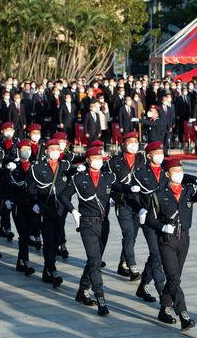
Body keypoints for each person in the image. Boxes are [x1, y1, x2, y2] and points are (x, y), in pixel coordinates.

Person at [145, 159, 197, 331]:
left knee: (175, 278)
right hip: (167, 240)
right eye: (175, 171)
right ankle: (183, 315)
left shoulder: (188, 190)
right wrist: (161, 227)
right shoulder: (158, 194)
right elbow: (150, 219)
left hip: (184, 239)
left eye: (181, 170)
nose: (179, 174)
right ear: (167, 174)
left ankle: (164, 308)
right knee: (173, 278)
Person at [59, 146, 140, 316]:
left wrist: (130, 189)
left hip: (103, 224)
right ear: (88, 160)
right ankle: (100, 297)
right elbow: (63, 196)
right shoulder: (79, 178)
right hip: (87, 223)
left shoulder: (108, 177)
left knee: (94, 260)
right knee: (95, 260)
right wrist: (73, 211)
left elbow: (118, 187)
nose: (98, 160)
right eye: (94, 157)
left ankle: (82, 291)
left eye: (100, 157)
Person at [27, 139, 72, 288]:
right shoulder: (38, 167)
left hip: (60, 210)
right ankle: (52, 270)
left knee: (55, 240)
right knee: (49, 241)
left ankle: (47, 270)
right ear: (46, 151)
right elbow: (32, 188)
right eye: (52, 149)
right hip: (45, 210)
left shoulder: (65, 165)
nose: (55, 152)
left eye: (57, 149)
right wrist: (35, 203)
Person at [106, 131, 145, 281]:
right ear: (124, 144)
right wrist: (110, 196)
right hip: (123, 202)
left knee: (133, 235)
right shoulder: (114, 161)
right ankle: (132, 266)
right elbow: (107, 180)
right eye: (130, 142)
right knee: (128, 233)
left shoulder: (141, 159)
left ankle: (122, 263)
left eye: (136, 141)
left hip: (138, 202)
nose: (134, 145)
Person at [3, 140, 36, 276]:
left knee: (27, 233)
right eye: (24, 148)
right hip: (18, 204)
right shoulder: (13, 166)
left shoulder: (34, 166)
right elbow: (4, 183)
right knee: (23, 233)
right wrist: (6, 199)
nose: (26, 151)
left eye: (29, 148)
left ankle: (20, 261)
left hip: (32, 205)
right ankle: (25, 261)